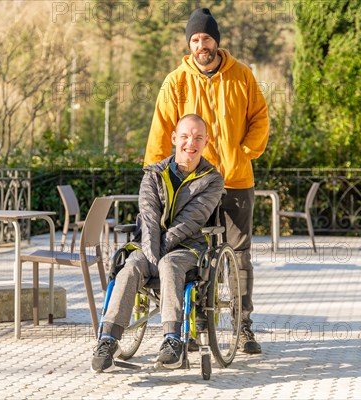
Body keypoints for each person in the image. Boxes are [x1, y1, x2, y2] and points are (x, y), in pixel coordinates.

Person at [144, 8, 269, 355]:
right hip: (193, 185)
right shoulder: (175, 81)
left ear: (217, 41)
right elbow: (161, 131)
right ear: (190, 44)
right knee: (195, 253)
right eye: (196, 39)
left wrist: (247, 150)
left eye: (207, 38)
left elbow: (260, 116)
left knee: (239, 256)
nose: (202, 45)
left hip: (236, 181)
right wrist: (155, 177)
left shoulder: (242, 75)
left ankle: (243, 328)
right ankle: (198, 327)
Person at [91, 114, 224, 373]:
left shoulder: (212, 180)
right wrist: (152, 251)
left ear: (206, 141)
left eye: (198, 137)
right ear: (174, 138)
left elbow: (191, 220)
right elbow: (149, 215)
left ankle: (173, 340)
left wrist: (160, 254)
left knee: (169, 265)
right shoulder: (153, 174)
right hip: (149, 245)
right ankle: (108, 339)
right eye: (185, 136)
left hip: (188, 247)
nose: (190, 143)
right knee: (129, 268)